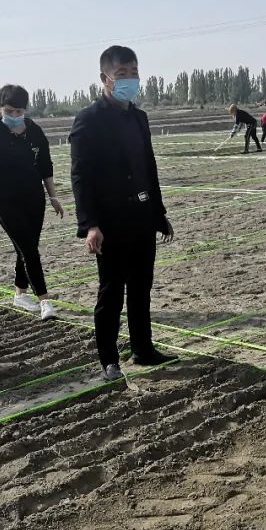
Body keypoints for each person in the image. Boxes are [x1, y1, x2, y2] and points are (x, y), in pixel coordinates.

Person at [70, 45, 177, 381]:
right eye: (122, 74)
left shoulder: (139, 117)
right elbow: (80, 176)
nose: (130, 79)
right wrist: (90, 225)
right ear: (105, 79)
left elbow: (148, 167)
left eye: (134, 72)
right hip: (110, 222)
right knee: (111, 290)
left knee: (142, 287)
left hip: (141, 216)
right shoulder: (89, 120)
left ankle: (143, 350)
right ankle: (109, 359)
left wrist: (158, 212)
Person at [0, 84, 63, 320]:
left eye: (19, 111)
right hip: (6, 200)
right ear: (0, 108)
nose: (14, 116)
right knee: (29, 250)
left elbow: (46, 166)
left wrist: (53, 196)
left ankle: (20, 293)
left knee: (26, 247)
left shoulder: (35, 132)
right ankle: (45, 301)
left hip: (34, 198)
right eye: (9, 110)